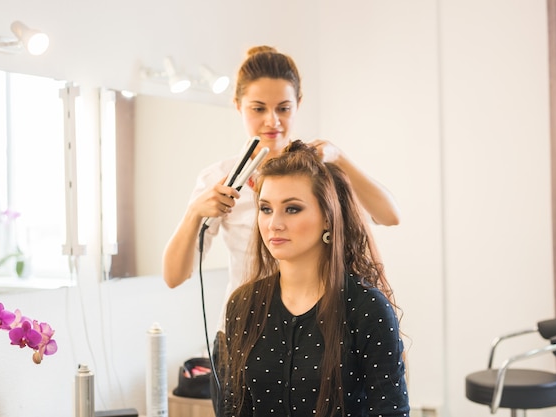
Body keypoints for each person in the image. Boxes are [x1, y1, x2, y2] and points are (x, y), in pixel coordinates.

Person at [161, 45, 401, 414]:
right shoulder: (220, 180)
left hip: (323, 327)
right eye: (258, 108)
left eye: (283, 108)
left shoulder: (319, 174)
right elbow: (174, 276)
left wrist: (339, 159)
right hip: (249, 331)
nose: (272, 120)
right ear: (238, 105)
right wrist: (196, 212)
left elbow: (389, 214)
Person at [222, 140, 409, 417]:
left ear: (327, 218)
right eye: (265, 209)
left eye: (292, 208)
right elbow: (235, 409)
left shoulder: (367, 308)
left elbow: (391, 412)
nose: (274, 223)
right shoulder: (243, 304)